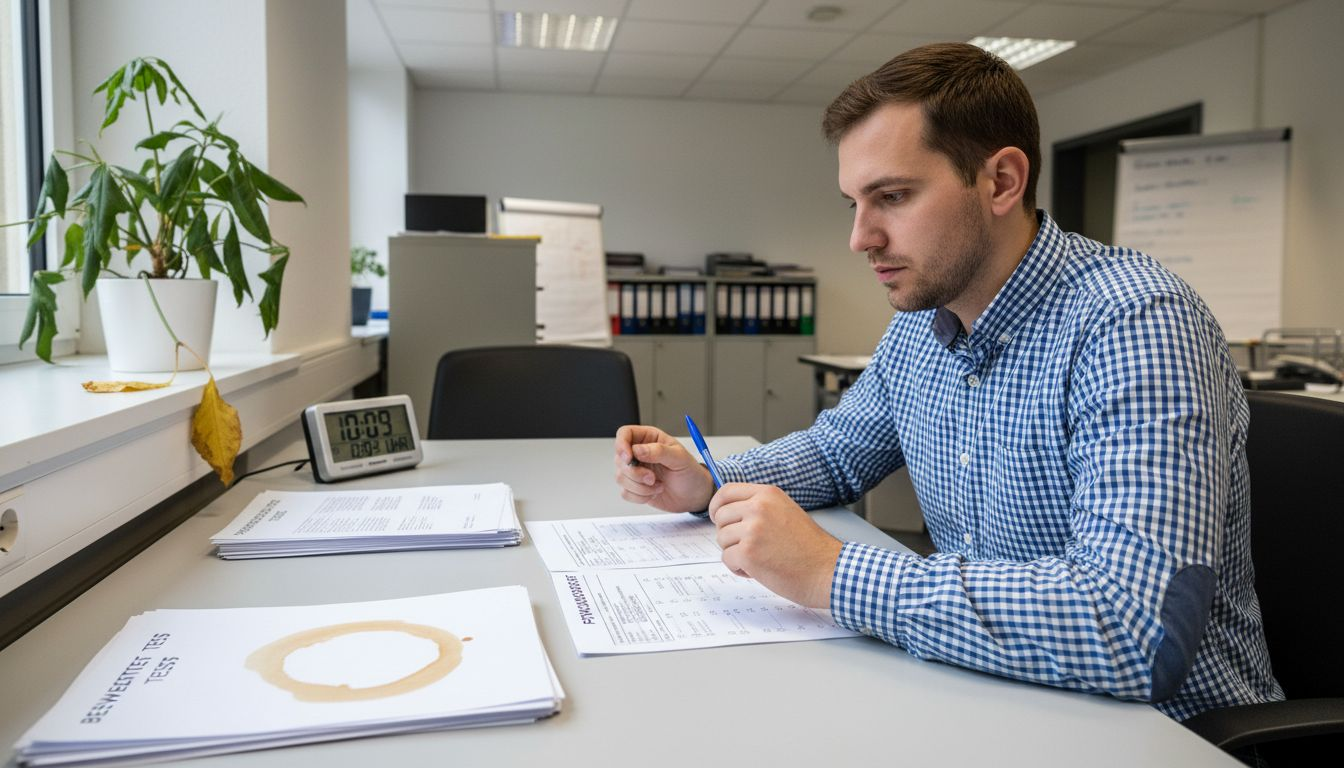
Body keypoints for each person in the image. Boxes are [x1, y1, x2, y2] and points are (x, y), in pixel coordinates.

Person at [612, 42, 1283, 721]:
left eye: (892, 197)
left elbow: (1135, 629)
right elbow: (838, 451)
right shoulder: (924, 320)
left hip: (1168, 735)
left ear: (1000, 182)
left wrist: (832, 571)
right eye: (854, 203)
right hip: (996, 694)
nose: (860, 238)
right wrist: (712, 478)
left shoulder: (1133, 322)